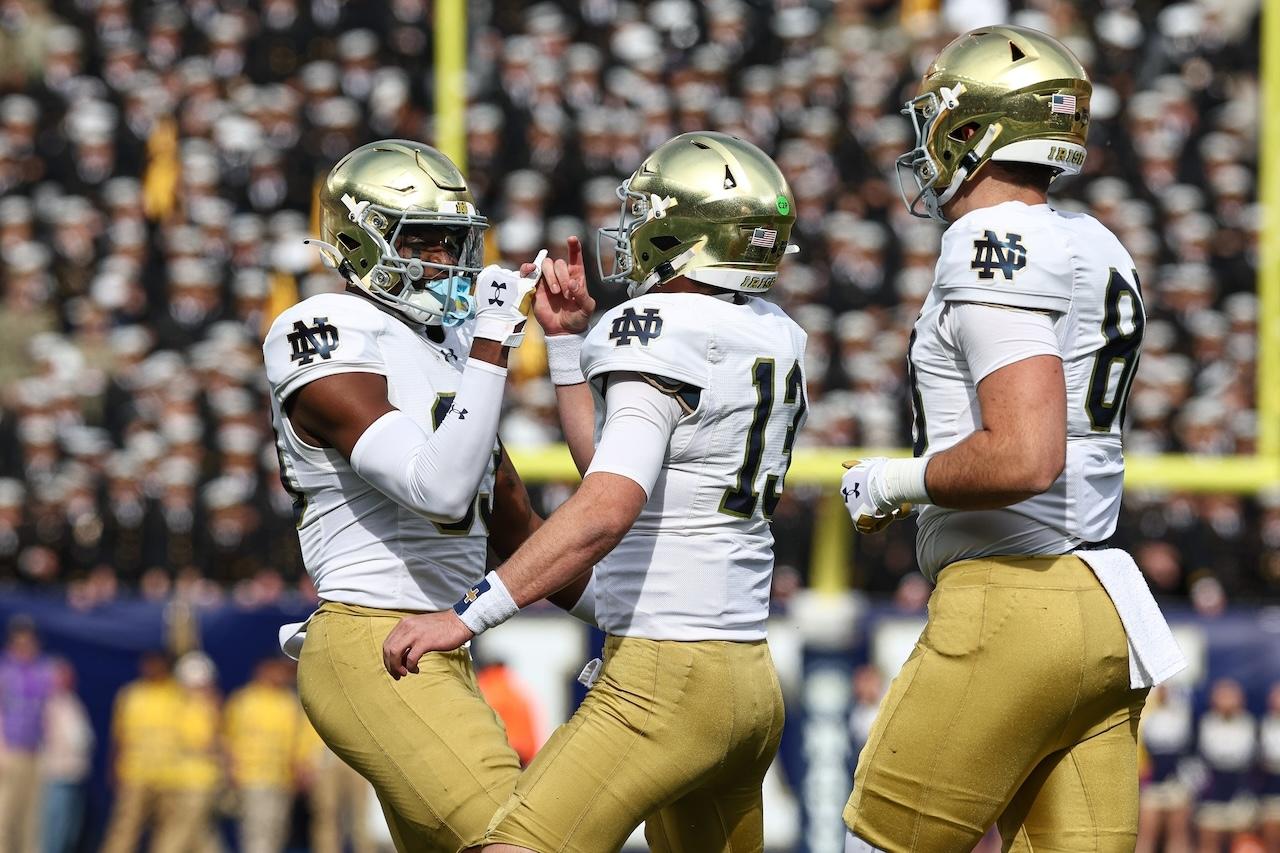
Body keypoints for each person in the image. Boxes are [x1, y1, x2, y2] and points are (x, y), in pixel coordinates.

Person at [382, 131, 807, 852]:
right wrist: (570, 346)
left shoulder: (661, 328)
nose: (634, 232)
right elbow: (618, 466)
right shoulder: (773, 331)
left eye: (648, 216)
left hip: (666, 672)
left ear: (685, 232)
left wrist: (466, 614)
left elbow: (605, 508)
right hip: (747, 676)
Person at [836, 26, 1186, 851]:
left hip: (1011, 602)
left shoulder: (991, 241)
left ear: (974, 129)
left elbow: (1026, 454)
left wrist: (891, 480)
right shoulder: (1096, 240)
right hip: (1101, 606)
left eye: (936, 119)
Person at [263, 138, 587, 851]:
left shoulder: (450, 338)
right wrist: (495, 342)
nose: (444, 260)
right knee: (526, 838)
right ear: (358, 239)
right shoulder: (321, 328)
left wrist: (624, 614)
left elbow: (511, 516)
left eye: (453, 241)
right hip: (372, 637)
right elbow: (436, 489)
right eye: (423, 241)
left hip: (443, 642)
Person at [100, 651, 184, 853]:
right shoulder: (131, 695)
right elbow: (119, 737)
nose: (151, 669)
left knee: (168, 832)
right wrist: (113, 768)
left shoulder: (179, 694)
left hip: (170, 775)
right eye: (148, 664)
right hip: (135, 773)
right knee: (125, 829)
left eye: (156, 664)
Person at [223, 658, 308, 853]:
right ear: (262, 670)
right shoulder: (243, 701)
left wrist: (300, 769)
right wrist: (231, 770)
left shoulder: (289, 703)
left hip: (282, 779)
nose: (280, 676)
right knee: (257, 830)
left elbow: (299, 741)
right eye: (275, 670)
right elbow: (228, 738)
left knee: (277, 830)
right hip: (252, 777)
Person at [0, 615, 54, 853]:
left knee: (32, 819)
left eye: (30, 639)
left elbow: (47, 711)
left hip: (34, 751)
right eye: (20, 639)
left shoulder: (41, 671)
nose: (25, 645)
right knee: (5, 815)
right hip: (9, 750)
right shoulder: (4, 670)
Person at [38, 658, 93, 853]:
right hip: (56, 775)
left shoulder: (73, 703)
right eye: (61, 676)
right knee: (54, 829)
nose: (66, 680)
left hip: (76, 775)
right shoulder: (47, 703)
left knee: (70, 829)